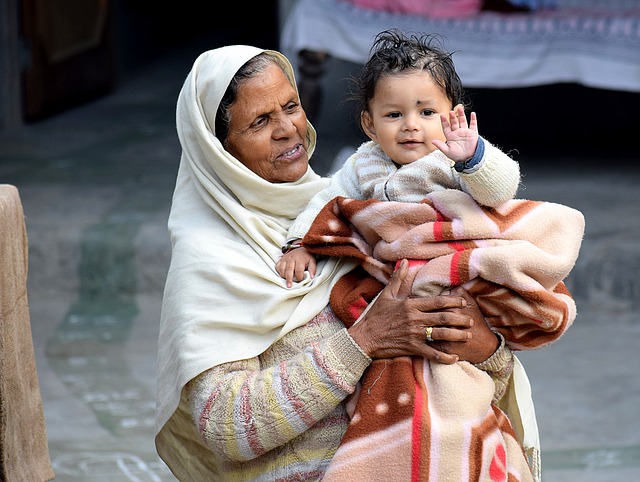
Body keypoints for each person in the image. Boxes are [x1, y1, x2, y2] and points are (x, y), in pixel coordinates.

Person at [154, 44, 540, 481]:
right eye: (260, 121)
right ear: (219, 148)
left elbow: (476, 371)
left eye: (291, 107)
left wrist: (485, 348)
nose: (287, 130)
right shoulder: (213, 257)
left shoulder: (354, 209)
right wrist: (364, 341)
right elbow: (228, 427)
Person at [276, 29, 520, 288]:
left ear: (452, 115)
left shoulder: (455, 158)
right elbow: (325, 204)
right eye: (394, 115)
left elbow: (500, 193)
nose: (410, 125)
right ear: (370, 125)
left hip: (455, 263)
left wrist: (473, 159)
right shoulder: (363, 163)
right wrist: (300, 244)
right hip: (392, 273)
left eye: (427, 112)